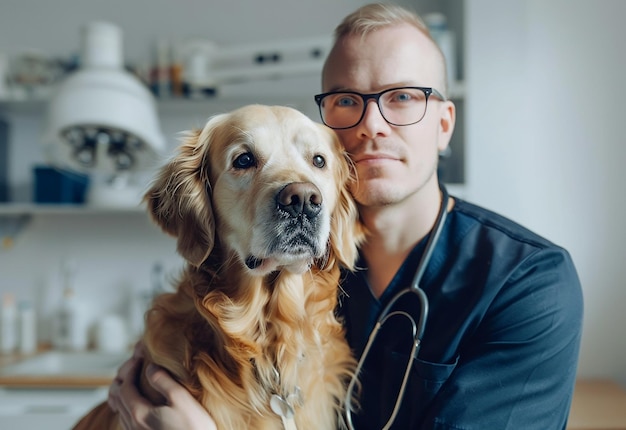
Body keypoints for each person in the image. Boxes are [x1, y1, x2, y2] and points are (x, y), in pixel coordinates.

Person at [107, 3, 584, 429]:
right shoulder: (301, 283)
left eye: (403, 97)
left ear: (443, 125)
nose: (372, 125)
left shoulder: (530, 283)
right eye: (347, 100)